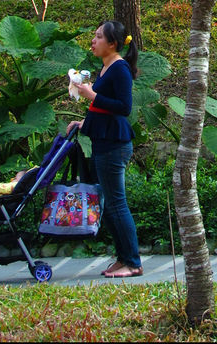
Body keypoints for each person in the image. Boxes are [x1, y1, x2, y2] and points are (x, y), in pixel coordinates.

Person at [67, 20, 142, 278]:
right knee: (108, 205)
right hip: (103, 140)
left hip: (114, 144)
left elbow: (124, 107)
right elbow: (103, 108)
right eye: (95, 36)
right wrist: (84, 122)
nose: (93, 41)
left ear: (113, 44)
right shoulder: (106, 67)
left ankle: (133, 262)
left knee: (116, 204)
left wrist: (92, 95)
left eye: (99, 37)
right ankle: (123, 258)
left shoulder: (120, 69)